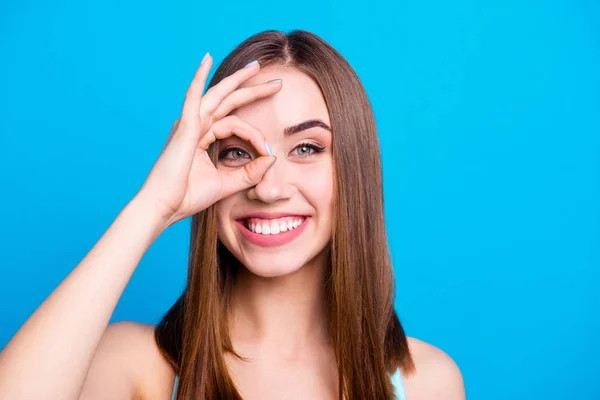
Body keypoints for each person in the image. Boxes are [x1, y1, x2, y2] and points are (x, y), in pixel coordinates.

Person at [0, 30, 465, 399]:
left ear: (355, 171)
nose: (268, 187)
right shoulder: (135, 365)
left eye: (307, 147)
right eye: (238, 153)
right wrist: (153, 207)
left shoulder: (429, 383)